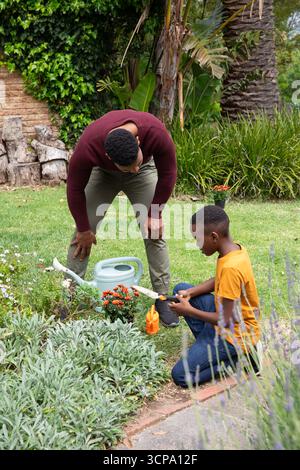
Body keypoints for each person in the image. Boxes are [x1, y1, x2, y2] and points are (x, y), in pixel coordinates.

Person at [66, 109, 179, 326]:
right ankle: (71, 294)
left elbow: (168, 173)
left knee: (154, 231)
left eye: (135, 161)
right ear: (108, 156)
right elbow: (74, 188)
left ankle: (162, 298)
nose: (133, 170)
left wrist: (155, 213)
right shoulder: (90, 144)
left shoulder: (154, 131)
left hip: (148, 170)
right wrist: (83, 228)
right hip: (104, 174)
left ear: (138, 140)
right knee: (81, 234)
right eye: (130, 167)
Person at [169, 205, 261, 387]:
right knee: (181, 288)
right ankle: (208, 346)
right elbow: (217, 280)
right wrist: (190, 293)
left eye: (197, 239)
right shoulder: (234, 251)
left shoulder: (231, 268)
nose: (196, 244)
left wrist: (188, 310)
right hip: (228, 319)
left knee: (180, 376)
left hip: (233, 334)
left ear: (213, 237)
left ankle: (238, 361)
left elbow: (226, 321)